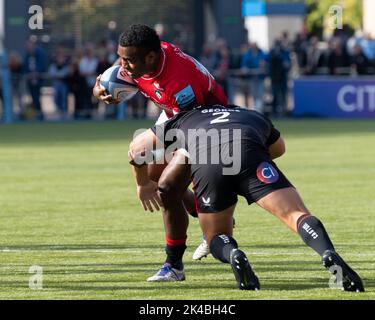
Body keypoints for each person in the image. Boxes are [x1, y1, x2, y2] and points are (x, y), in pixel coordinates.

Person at [129, 105, 365, 292]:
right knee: (296, 215)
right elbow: (279, 149)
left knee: (216, 237)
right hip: (250, 156)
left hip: (209, 165)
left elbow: (138, 149)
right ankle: (327, 253)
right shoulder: (251, 114)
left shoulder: (184, 117)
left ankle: (233, 254)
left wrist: (142, 184)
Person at [92, 24, 228, 278]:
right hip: (177, 116)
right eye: (121, 57)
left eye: (127, 60)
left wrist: (141, 184)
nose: (122, 65)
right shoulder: (140, 56)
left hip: (206, 125)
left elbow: (186, 128)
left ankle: (174, 264)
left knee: (163, 183)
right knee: (157, 176)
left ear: (150, 58)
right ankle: (213, 218)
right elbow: (102, 83)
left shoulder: (178, 81)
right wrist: (100, 90)